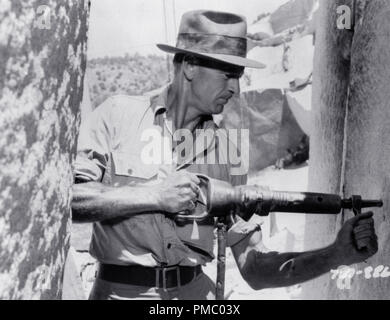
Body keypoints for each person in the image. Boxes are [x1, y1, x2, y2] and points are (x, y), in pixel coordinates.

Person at [72, 10, 378, 300]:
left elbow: (255, 269)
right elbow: (70, 200)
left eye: (239, 76)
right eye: (228, 75)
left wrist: (336, 254)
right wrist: (154, 195)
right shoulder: (117, 115)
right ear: (190, 66)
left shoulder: (228, 149)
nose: (235, 87)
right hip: (120, 293)